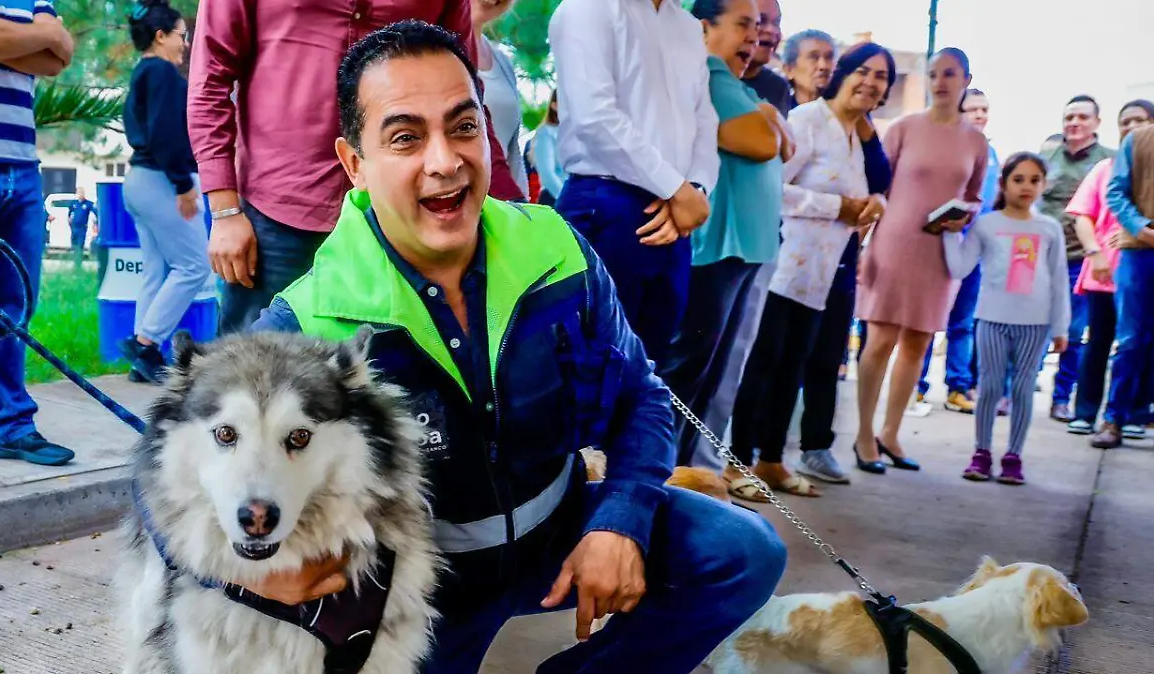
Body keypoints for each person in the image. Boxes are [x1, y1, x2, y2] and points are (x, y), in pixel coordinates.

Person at [248, 21, 786, 673]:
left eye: (463, 126)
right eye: (406, 137)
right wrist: (250, 570)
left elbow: (642, 394)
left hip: (555, 531)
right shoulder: (306, 323)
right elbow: (175, 477)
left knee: (741, 552)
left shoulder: (554, 249)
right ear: (354, 163)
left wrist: (621, 517)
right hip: (418, 589)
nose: (445, 162)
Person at [189, 0, 524, 337]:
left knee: (395, 362)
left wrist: (512, 207)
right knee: (255, 359)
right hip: (278, 213)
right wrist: (224, 211)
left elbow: (465, 93)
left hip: (396, 217)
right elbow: (211, 80)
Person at [727, 42, 893, 504]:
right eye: (863, 71)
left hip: (819, 275)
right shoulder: (807, 120)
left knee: (792, 367)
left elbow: (871, 188)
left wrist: (873, 204)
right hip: (781, 264)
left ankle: (771, 460)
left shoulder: (856, 135)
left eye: (881, 76)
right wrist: (836, 207)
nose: (870, 82)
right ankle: (735, 461)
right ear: (842, 73)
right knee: (763, 364)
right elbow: (771, 188)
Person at [550, 0, 718, 366]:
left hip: (675, 215)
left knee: (650, 365)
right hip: (607, 202)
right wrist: (676, 189)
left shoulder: (687, 26)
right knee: (595, 364)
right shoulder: (588, 8)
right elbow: (594, 117)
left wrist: (696, 188)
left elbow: (705, 119)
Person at [660, 0, 790, 467]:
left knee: (707, 373)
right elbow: (765, 143)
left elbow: (786, 145)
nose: (754, 37)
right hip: (717, 248)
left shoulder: (738, 86)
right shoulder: (710, 76)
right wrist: (769, 119)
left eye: (759, 27)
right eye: (743, 25)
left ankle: (682, 470)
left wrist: (769, 118)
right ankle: (660, 469)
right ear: (704, 28)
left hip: (743, 250)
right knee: (687, 369)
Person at [854, 47, 988, 474]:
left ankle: (891, 432)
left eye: (949, 74)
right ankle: (863, 434)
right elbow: (876, 185)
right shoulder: (904, 128)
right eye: (933, 74)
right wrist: (862, 244)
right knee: (879, 339)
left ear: (966, 79)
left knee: (918, 342)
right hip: (895, 243)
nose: (939, 82)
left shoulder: (976, 141)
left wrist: (964, 215)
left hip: (939, 251)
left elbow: (975, 197)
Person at [0, 0, 77, 466]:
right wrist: (38, 35)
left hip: (24, 169)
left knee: (13, 309)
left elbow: (59, 56)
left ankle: (11, 426)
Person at [948, 153, 1069, 485]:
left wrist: (1060, 326)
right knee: (988, 387)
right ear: (1003, 184)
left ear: (1044, 185)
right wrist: (948, 234)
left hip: (1035, 323)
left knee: (1023, 388)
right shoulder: (987, 224)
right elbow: (959, 268)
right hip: (991, 319)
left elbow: (1059, 280)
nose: (1026, 186)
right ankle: (981, 453)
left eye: (1034, 180)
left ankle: (1014, 456)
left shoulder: (1050, 228)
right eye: (1018, 179)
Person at [117, 0, 210, 384]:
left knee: (155, 270)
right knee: (195, 266)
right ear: (160, 36)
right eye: (181, 36)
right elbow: (165, 133)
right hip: (162, 181)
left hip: (140, 181)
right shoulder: (162, 73)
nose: (185, 44)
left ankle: (142, 359)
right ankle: (146, 343)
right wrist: (183, 184)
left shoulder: (143, 72)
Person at [1065, 100, 1154, 442]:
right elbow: (1092, 210)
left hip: (1130, 259)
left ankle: (1136, 413)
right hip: (1119, 263)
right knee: (1113, 340)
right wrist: (1138, 229)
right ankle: (1101, 416)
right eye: (1125, 121)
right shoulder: (1112, 162)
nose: (1130, 127)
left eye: (1138, 120)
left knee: (1144, 342)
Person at [917, 88, 1001, 415]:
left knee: (963, 323)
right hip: (937, 245)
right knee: (927, 320)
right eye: (973, 109)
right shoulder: (942, 148)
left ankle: (958, 388)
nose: (980, 115)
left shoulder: (992, 155)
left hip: (974, 250)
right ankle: (916, 386)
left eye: (985, 109)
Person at [1038, 95, 1114, 423]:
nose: (1075, 123)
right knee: (1032, 326)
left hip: (1081, 259)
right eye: (1069, 117)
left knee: (1073, 330)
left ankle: (1061, 398)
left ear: (1097, 122)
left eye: (1083, 117)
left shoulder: (1109, 161)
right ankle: (1013, 392)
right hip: (1040, 257)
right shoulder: (1046, 157)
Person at [1100, 122, 1154, 448]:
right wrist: (1140, 228)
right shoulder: (1138, 140)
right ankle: (1114, 419)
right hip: (1140, 251)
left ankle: (1140, 413)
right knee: (1131, 339)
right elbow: (1116, 192)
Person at [470, 0, 527, 199]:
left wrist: (523, 207)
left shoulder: (502, 60)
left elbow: (513, 153)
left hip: (504, 204)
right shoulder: (429, 50)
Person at [740, 0, 789, 116]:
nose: (771, 30)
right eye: (760, 20)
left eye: (776, 22)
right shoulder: (705, 75)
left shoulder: (778, 87)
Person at [781, 29, 834, 109]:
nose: (823, 66)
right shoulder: (777, 113)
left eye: (828, 57)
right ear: (789, 70)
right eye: (813, 57)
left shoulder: (842, 113)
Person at [532, 90, 567, 207]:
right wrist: (567, 200)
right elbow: (547, 174)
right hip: (556, 198)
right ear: (554, 106)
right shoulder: (546, 132)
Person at [66, 186, 96, 267]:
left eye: (82, 192)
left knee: (80, 246)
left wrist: (96, 221)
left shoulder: (88, 204)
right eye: (79, 192)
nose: (80, 194)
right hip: (74, 228)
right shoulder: (74, 203)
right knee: (74, 245)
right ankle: (75, 263)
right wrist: (69, 219)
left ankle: (78, 264)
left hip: (82, 228)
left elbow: (95, 211)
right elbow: (69, 212)